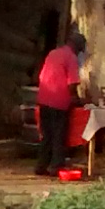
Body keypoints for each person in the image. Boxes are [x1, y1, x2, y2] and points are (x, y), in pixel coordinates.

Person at [34, 32, 88, 177]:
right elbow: (72, 84)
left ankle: (41, 165)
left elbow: (42, 76)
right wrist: (77, 99)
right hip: (59, 103)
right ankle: (56, 166)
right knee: (59, 135)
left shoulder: (53, 53)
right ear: (77, 46)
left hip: (44, 99)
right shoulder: (71, 58)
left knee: (46, 135)